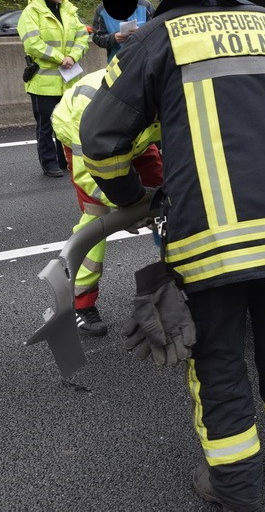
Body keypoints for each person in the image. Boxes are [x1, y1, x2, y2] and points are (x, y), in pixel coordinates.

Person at [79, 0, 265, 511]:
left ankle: (233, 487)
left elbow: (100, 140)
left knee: (218, 361)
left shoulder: (156, 40)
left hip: (209, 246)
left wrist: (133, 199)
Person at [51, 68, 163, 337]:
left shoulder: (167, 88)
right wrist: (130, 207)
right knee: (98, 214)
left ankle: (179, 279)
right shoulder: (89, 112)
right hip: (87, 136)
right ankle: (80, 304)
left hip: (137, 137)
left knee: (170, 196)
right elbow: (96, 181)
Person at [18, 0, 89, 177]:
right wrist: (60, 58)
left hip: (68, 80)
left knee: (66, 122)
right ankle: (49, 163)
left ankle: (63, 159)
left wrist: (73, 56)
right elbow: (33, 44)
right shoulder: (31, 13)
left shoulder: (69, 10)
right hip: (43, 82)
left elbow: (83, 37)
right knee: (46, 126)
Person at [91, 0, 155, 60]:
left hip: (143, 60)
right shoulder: (101, 10)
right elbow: (97, 37)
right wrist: (113, 38)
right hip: (116, 62)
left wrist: (141, 33)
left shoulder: (146, 6)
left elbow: (158, 32)